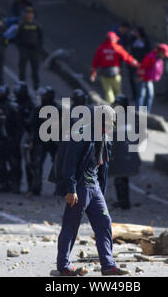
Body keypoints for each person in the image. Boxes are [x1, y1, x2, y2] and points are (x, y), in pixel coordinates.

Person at [49, 105, 129, 276]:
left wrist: (102, 189)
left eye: (112, 124)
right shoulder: (80, 134)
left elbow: (103, 166)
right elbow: (69, 163)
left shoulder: (104, 137)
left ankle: (108, 265)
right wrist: (71, 189)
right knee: (71, 225)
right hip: (80, 186)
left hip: (94, 187)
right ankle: (63, 267)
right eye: (108, 123)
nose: (110, 127)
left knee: (104, 223)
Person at [109, 94, 141, 210]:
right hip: (124, 153)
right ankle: (123, 201)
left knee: (120, 179)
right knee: (122, 179)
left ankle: (123, 202)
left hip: (122, 153)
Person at [27, 86, 60, 196]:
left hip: (55, 141)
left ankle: (60, 187)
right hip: (40, 141)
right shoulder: (37, 109)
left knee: (58, 164)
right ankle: (36, 186)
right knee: (36, 164)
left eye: (44, 96)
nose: (42, 98)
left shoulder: (58, 109)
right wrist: (32, 139)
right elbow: (32, 125)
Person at [90, 31, 139, 104]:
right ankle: (119, 109)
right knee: (118, 93)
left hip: (104, 74)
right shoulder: (117, 48)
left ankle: (110, 110)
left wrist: (93, 74)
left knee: (108, 93)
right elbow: (127, 57)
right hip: (116, 74)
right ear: (113, 39)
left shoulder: (101, 48)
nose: (117, 40)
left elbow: (95, 62)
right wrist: (137, 64)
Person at [136, 43, 168, 113]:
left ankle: (146, 113)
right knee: (141, 95)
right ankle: (138, 113)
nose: (164, 56)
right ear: (160, 52)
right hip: (143, 79)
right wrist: (141, 77)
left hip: (149, 80)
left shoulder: (159, 59)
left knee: (150, 95)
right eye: (164, 53)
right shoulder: (150, 57)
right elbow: (143, 68)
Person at [13, 82, 35, 192]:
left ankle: (31, 185)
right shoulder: (13, 104)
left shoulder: (31, 105)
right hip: (14, 135)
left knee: (28, 162)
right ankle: (15, 184)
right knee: (15, 162)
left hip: (26, 135)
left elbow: (32, 122)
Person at [16, 6, 43, 90]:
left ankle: (36, 85)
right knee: (22, 67)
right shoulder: (22, 24)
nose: (29, 15)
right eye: (28, 13)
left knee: (35, 68)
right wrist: (20, 47)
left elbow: (40, 37)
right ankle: (22, 84)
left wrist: (38, 48)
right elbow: (17, 37)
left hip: (34, 50)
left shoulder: (37, 25)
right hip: (24, 49)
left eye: (31, 13)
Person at [128, 27, 151, 103]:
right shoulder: (132, 39)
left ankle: (141, 107)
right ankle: (135, 97)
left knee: (144, 90)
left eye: (137, 32)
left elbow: (148, 51)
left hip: (143, 64)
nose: (135, 33)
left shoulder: (145, 41)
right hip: (134, 64)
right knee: (133, 81)